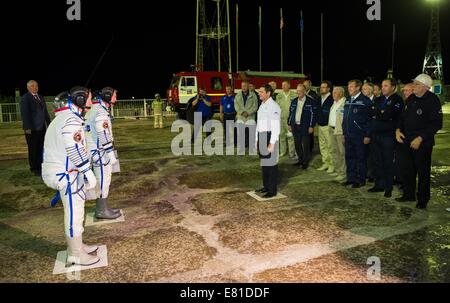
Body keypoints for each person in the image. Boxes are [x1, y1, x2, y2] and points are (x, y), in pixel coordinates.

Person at [42, 86, 99, 266]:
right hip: (65, 174)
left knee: (76, 210)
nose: (91, 102)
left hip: (63, 172)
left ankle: (77, 246)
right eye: (88, 98)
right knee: (75, 212)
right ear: (80, 100)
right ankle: (76, 254)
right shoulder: (70, 120)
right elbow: (73, 148)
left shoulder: (64, 118)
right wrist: (88, 172)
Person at [395, 74, 443, 209]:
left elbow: (437, 124)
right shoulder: (411, 99)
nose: (413, 86)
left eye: (416, 84)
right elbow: (402, 117)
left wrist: (421, 138)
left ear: (425, 87)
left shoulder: (433, 100)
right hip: (407, 140)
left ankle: (422, 200)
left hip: (423, 142)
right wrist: (398, 130)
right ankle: (408, 194)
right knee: (407, 170)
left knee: (423, 172)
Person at [84, 87, 122, 220]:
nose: (116, 98)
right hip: (100, 153)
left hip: (96, 151)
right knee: (103, 181)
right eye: (114, 95)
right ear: (107, 96)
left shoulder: (96, 109)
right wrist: (110, 153)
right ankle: (101, 210)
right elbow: (103, 133)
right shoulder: (100, 112)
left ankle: (103, 207)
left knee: (103, 180)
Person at [368, 78, 404, 198]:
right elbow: (372, 112)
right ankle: (379, 184)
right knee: (377, 161)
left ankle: (388, 188)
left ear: (393, 87)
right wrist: (381, 112)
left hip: (388, 136)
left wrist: (380, 112)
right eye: (382, 86)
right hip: (376, 135)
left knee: (387, 162)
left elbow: (389, 114)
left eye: (386, 86)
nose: (383, 88)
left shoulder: (397, 100)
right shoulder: (379, 99)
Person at [342, 80, 373, 188]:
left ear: (358, 88)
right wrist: (344, 133)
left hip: (360, 135)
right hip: (349, 135)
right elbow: (345, 119)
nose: (348, 88)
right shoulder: (348, 100)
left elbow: (370, 120)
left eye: (351, 86)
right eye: (348, 86)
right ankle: (351, 178)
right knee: (349, 157)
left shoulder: (365, 101)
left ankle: (360, 180)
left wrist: (368, 135)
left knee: (360, 158)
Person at [20, 80, 51, 176]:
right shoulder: (25, 98)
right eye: (33, 86)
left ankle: (40, 165)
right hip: (31, 129)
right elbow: (25, 114)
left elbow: (45, 112)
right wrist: (28, 128)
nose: (35, 87)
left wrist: (49, 123)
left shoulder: (40, 97)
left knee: (40, 147)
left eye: (36, 85)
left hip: (41, 128)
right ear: (28, 87)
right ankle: (34, 168)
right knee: (33, 148)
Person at [255, 84, 281, 198]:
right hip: (262, 136)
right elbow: (258, 124)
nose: (259, 93)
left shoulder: (274, 106)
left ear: (268, 93)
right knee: (264, 164)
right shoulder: (262, 105)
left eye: (261, 91)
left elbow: (276, 126)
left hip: (270, 136)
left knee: (271, 164)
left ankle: (272, 190)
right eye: (259, 91)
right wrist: (256, 139)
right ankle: (266, 186)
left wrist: (272, 142)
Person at [288, 84, 318, 169]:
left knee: (306, 145)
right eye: (297, 91)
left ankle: (305, 162)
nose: (298, 92)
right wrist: (289, 124)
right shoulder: (294, 101)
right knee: (297, 144)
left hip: (305, 126)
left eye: (300, 91)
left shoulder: (310, 101)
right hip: (295, 126)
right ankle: (300, 160)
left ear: (304, 91)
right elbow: (291, 113)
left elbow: (313, 114)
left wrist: (311, 126)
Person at [329, 87, 347, 182]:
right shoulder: (334, 103)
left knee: (342, 152)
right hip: (331, 130)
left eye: (335, 92)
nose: (333, 94)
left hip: (340, 131)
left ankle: (343, 173)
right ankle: (337, 170)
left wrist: (344, 132)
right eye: (333, 92)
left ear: (341, 93)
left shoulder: (344, 103)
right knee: (334, 151)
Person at [317, 81, 335, 173]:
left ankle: (332, 165)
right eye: (321, 87)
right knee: (322, 146)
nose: (321, 89)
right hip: (320, 126)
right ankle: (325, 163)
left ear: (328, 89)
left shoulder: (332, 99)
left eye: (323, 87)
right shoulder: (319, 98)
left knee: (330, 146)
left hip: (328, 126)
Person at [235, 81, 258, 150]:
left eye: (245, 86)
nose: (243, 87)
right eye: (242, 86)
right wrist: (242, 112)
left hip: (250, 117)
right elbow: (236, 106)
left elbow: (255, 106)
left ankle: (251, 147)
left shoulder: (253, 95)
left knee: (251, 133)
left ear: (248, 86)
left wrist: (248, 113)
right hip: (240, 117)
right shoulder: (237, 95)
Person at [276, 81, 297, 158]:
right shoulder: (279, 95)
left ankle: (292, 152)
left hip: (290, 120)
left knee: (290, 136)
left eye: (285, 85)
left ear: (289, 85)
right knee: (281, 136)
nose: (283, 86)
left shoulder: (294, 95)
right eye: (282, 85)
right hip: (281, 119)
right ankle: (283, 151)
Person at [304, 79, 319, 152]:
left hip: (310, 117)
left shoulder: (313, 94)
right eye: (304, 85)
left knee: (310, 134)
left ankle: (310, 149)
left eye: (306, 85)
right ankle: (305, 148)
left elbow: (315, 105)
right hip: (303, 117)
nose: (305, 86)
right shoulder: (302, 93)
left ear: (310, 86)